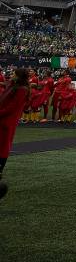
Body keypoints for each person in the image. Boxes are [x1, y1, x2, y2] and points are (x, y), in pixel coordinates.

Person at [0, 68, 31, 200]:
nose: (11, 75)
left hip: (5, 123)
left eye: (14, 73)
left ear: (19, 76)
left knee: (2, 146)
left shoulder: (22, 90)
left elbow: (12, 107)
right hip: (3, 120)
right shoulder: (13, 86)